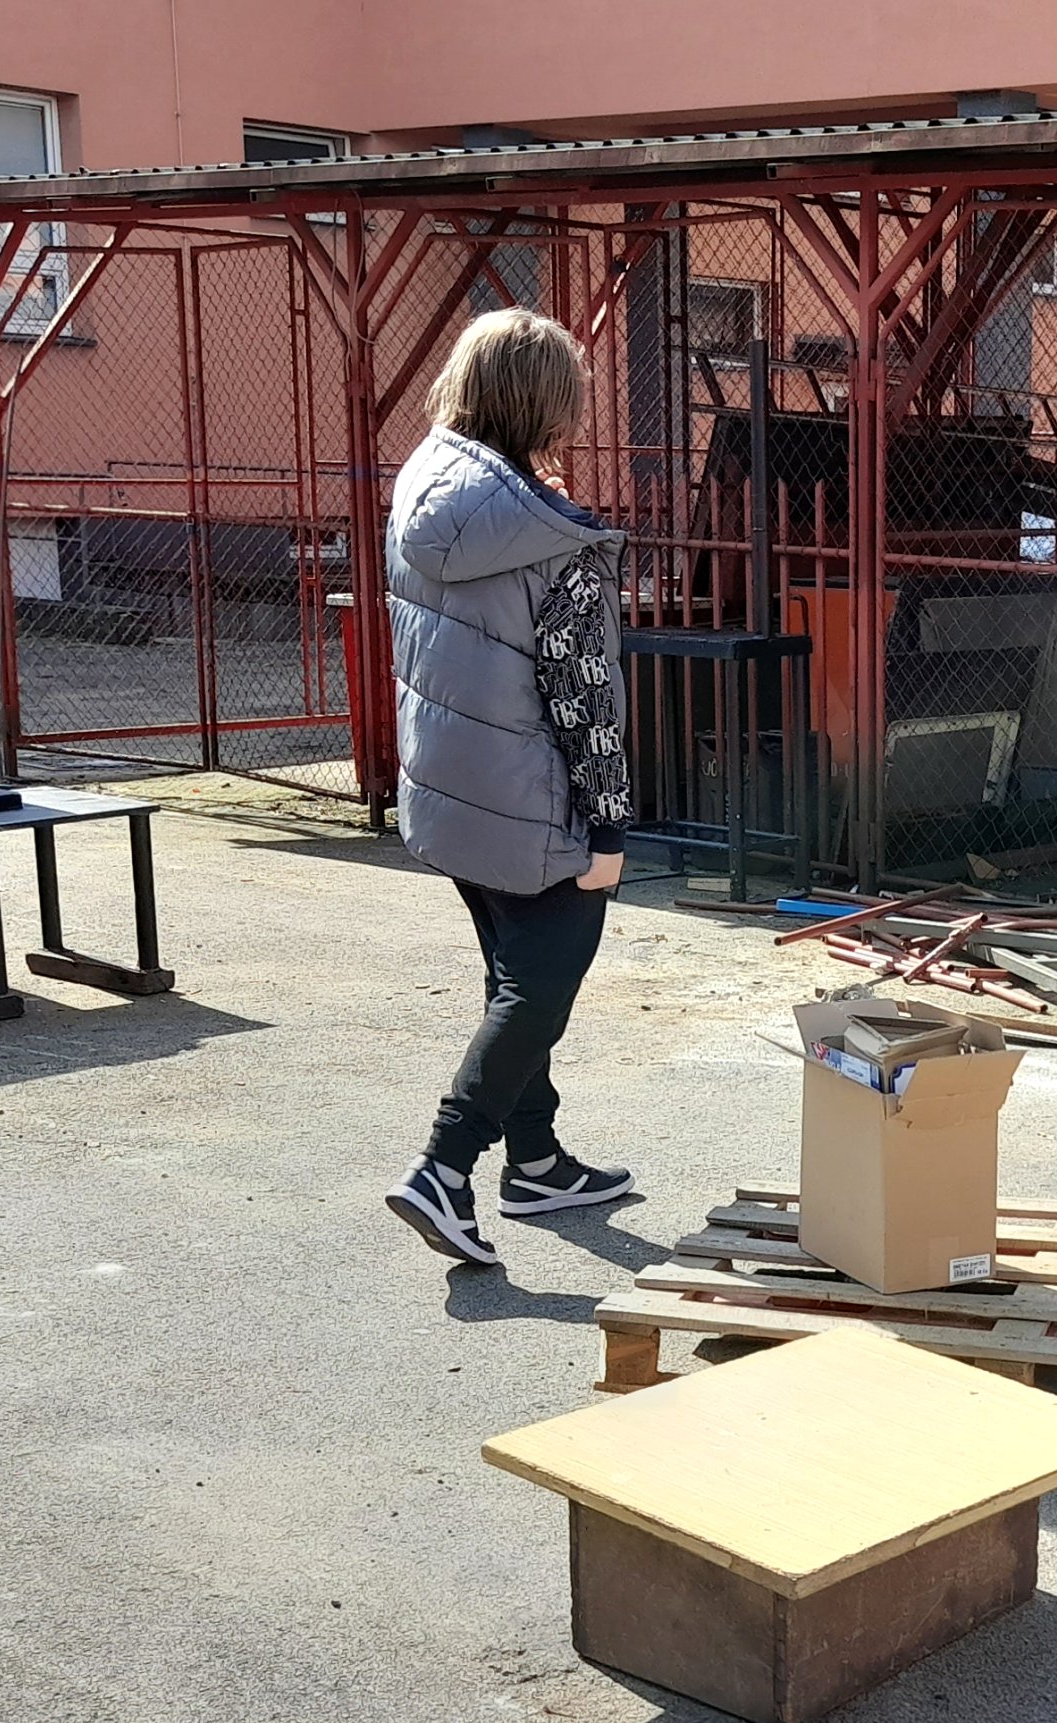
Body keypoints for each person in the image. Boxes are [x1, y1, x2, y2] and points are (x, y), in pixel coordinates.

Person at [380, 308, 637, 1267]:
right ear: (547, 405)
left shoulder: (425, 489)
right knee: (540, 991)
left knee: (512, 982)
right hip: (535, 803)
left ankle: (536, 1163)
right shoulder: (551, 539)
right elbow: (584, 693)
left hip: (447, 788)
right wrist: (609, 828)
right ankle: (443, 1170)